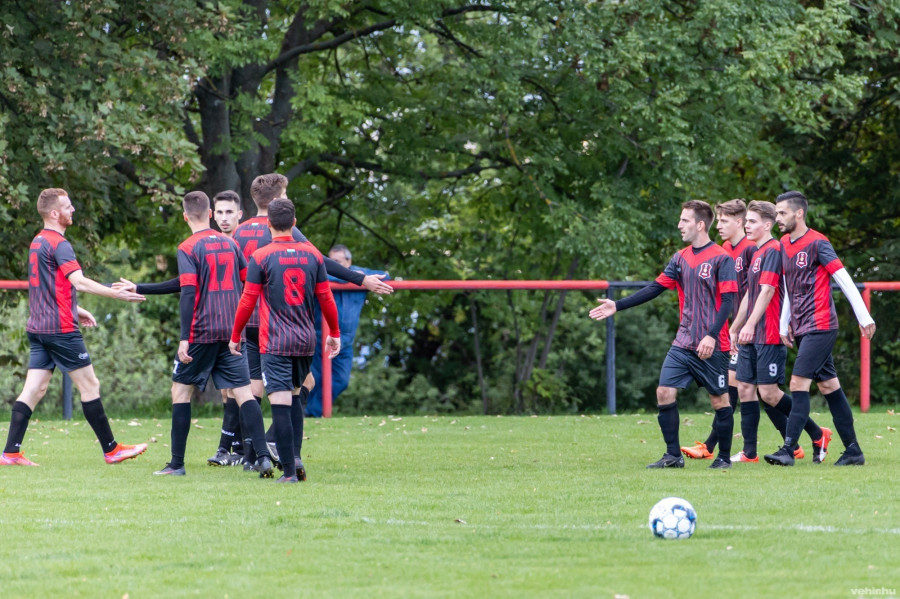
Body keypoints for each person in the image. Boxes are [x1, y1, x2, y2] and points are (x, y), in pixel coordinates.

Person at [230, 173, 392, 465]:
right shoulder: (284, 228)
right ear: (278, 200)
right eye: (285, 195)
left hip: (246, 319)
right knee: (302, 384)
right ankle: (281, 448)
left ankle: (254, 456)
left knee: (253, 388)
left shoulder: (238, 232)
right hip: (275, 322)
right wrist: (360, 279)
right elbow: (320, 261)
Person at [1, 188, 148, 467]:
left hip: (38, 327)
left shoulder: (37, 241)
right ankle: (112, 450)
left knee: (34, 389)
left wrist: (75, 309)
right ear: (54, 213)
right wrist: (116, 293)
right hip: (60, 330)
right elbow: (78, 281)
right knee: (90, 385)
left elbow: (45, 286)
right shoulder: (59, 244)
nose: (73, 210)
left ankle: (10, 453)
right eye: (68, 207)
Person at [590, 200, 738, 469]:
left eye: (685, 220)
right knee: (664, 392)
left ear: (700, 225)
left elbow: (728, 301)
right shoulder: (680, 258)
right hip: (683, 342)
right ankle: (673, 456)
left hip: (713, 345)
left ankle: (724, 458)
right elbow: (655, 288)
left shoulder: (721, 258)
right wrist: (617, 305)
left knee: (720, 400)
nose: (679, 225)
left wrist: (712, 335)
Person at [152, 191, 274, 477]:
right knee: (244, 394)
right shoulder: (231, 244)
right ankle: (263, 458)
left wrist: (184, 337)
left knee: (181, 392)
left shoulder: (188, 247)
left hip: (201, 332)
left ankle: (177, 464)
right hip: (231, 332)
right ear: (210, 214)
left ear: (185, 217)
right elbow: (247, 281)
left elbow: (188, 292)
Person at [230, 198, 341, 482]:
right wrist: (335, 333)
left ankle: (290, 472)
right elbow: (326, 297)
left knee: (280, 403)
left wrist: (235, 334)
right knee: (295, 397)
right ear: (294, 223)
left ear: (268, 224)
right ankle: (296, 459)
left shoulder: (262, 256)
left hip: (275, 341)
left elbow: (247, 300)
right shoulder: (313, 255)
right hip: (305, 340)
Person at [763, 191, 875, 466]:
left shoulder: (818, 242)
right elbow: (788, 286)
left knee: (797, 383)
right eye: (776, 213)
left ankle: (788, 450)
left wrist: (864, 316)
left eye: (782, 213)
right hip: (802, 327)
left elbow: (842, 278)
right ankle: (853, 451)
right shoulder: (784, 244)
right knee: (828, 385)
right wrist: (784, 323)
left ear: (799, 213)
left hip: (821, 325)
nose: (778, 218)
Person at [727, 201, 832, 463]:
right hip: (751, 334)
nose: (746, 226)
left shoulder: (774, 250)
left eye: (752, 221)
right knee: (745, 389)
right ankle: (749, 453)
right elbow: (751, 293)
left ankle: (817, 433)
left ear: (767, 225)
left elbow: (767, 291)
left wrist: (749, 325)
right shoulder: (756, 252)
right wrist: (736, 326)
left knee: (769, 394)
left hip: (769, 334)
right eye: (746, 221)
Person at [681, 199, 757, 460]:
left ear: (739, 222)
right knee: (742, 388)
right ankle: (724, 448)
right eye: (719, 220)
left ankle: (715, 447)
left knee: (763, 392)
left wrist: (738, 327)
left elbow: (754, 292)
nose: (719, 225)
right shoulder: (724, 249)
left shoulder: (751, 249)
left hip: (751, 327)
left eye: (724, 221)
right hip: (735, 328)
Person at [305, 244, 390, 418]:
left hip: (345, 342)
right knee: (314, 379)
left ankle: (311, 412)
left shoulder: (362, 274)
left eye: (336, 262)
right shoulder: (326, 274)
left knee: (341, 380)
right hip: (321, 339)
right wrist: (354, 278)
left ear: (349, 261)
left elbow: (386, 276)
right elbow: (314, 274)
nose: (332, 265)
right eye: (330, 261)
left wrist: (359, 277)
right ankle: (309, 414)